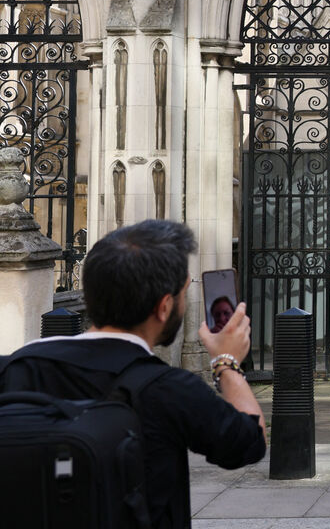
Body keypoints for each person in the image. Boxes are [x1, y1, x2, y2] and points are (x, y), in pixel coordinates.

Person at [0, 220, 267, 528]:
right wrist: (227, 362)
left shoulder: (16, 367)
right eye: (183, 292)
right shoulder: (170, 389)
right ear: (164, 306)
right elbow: (247, 442)